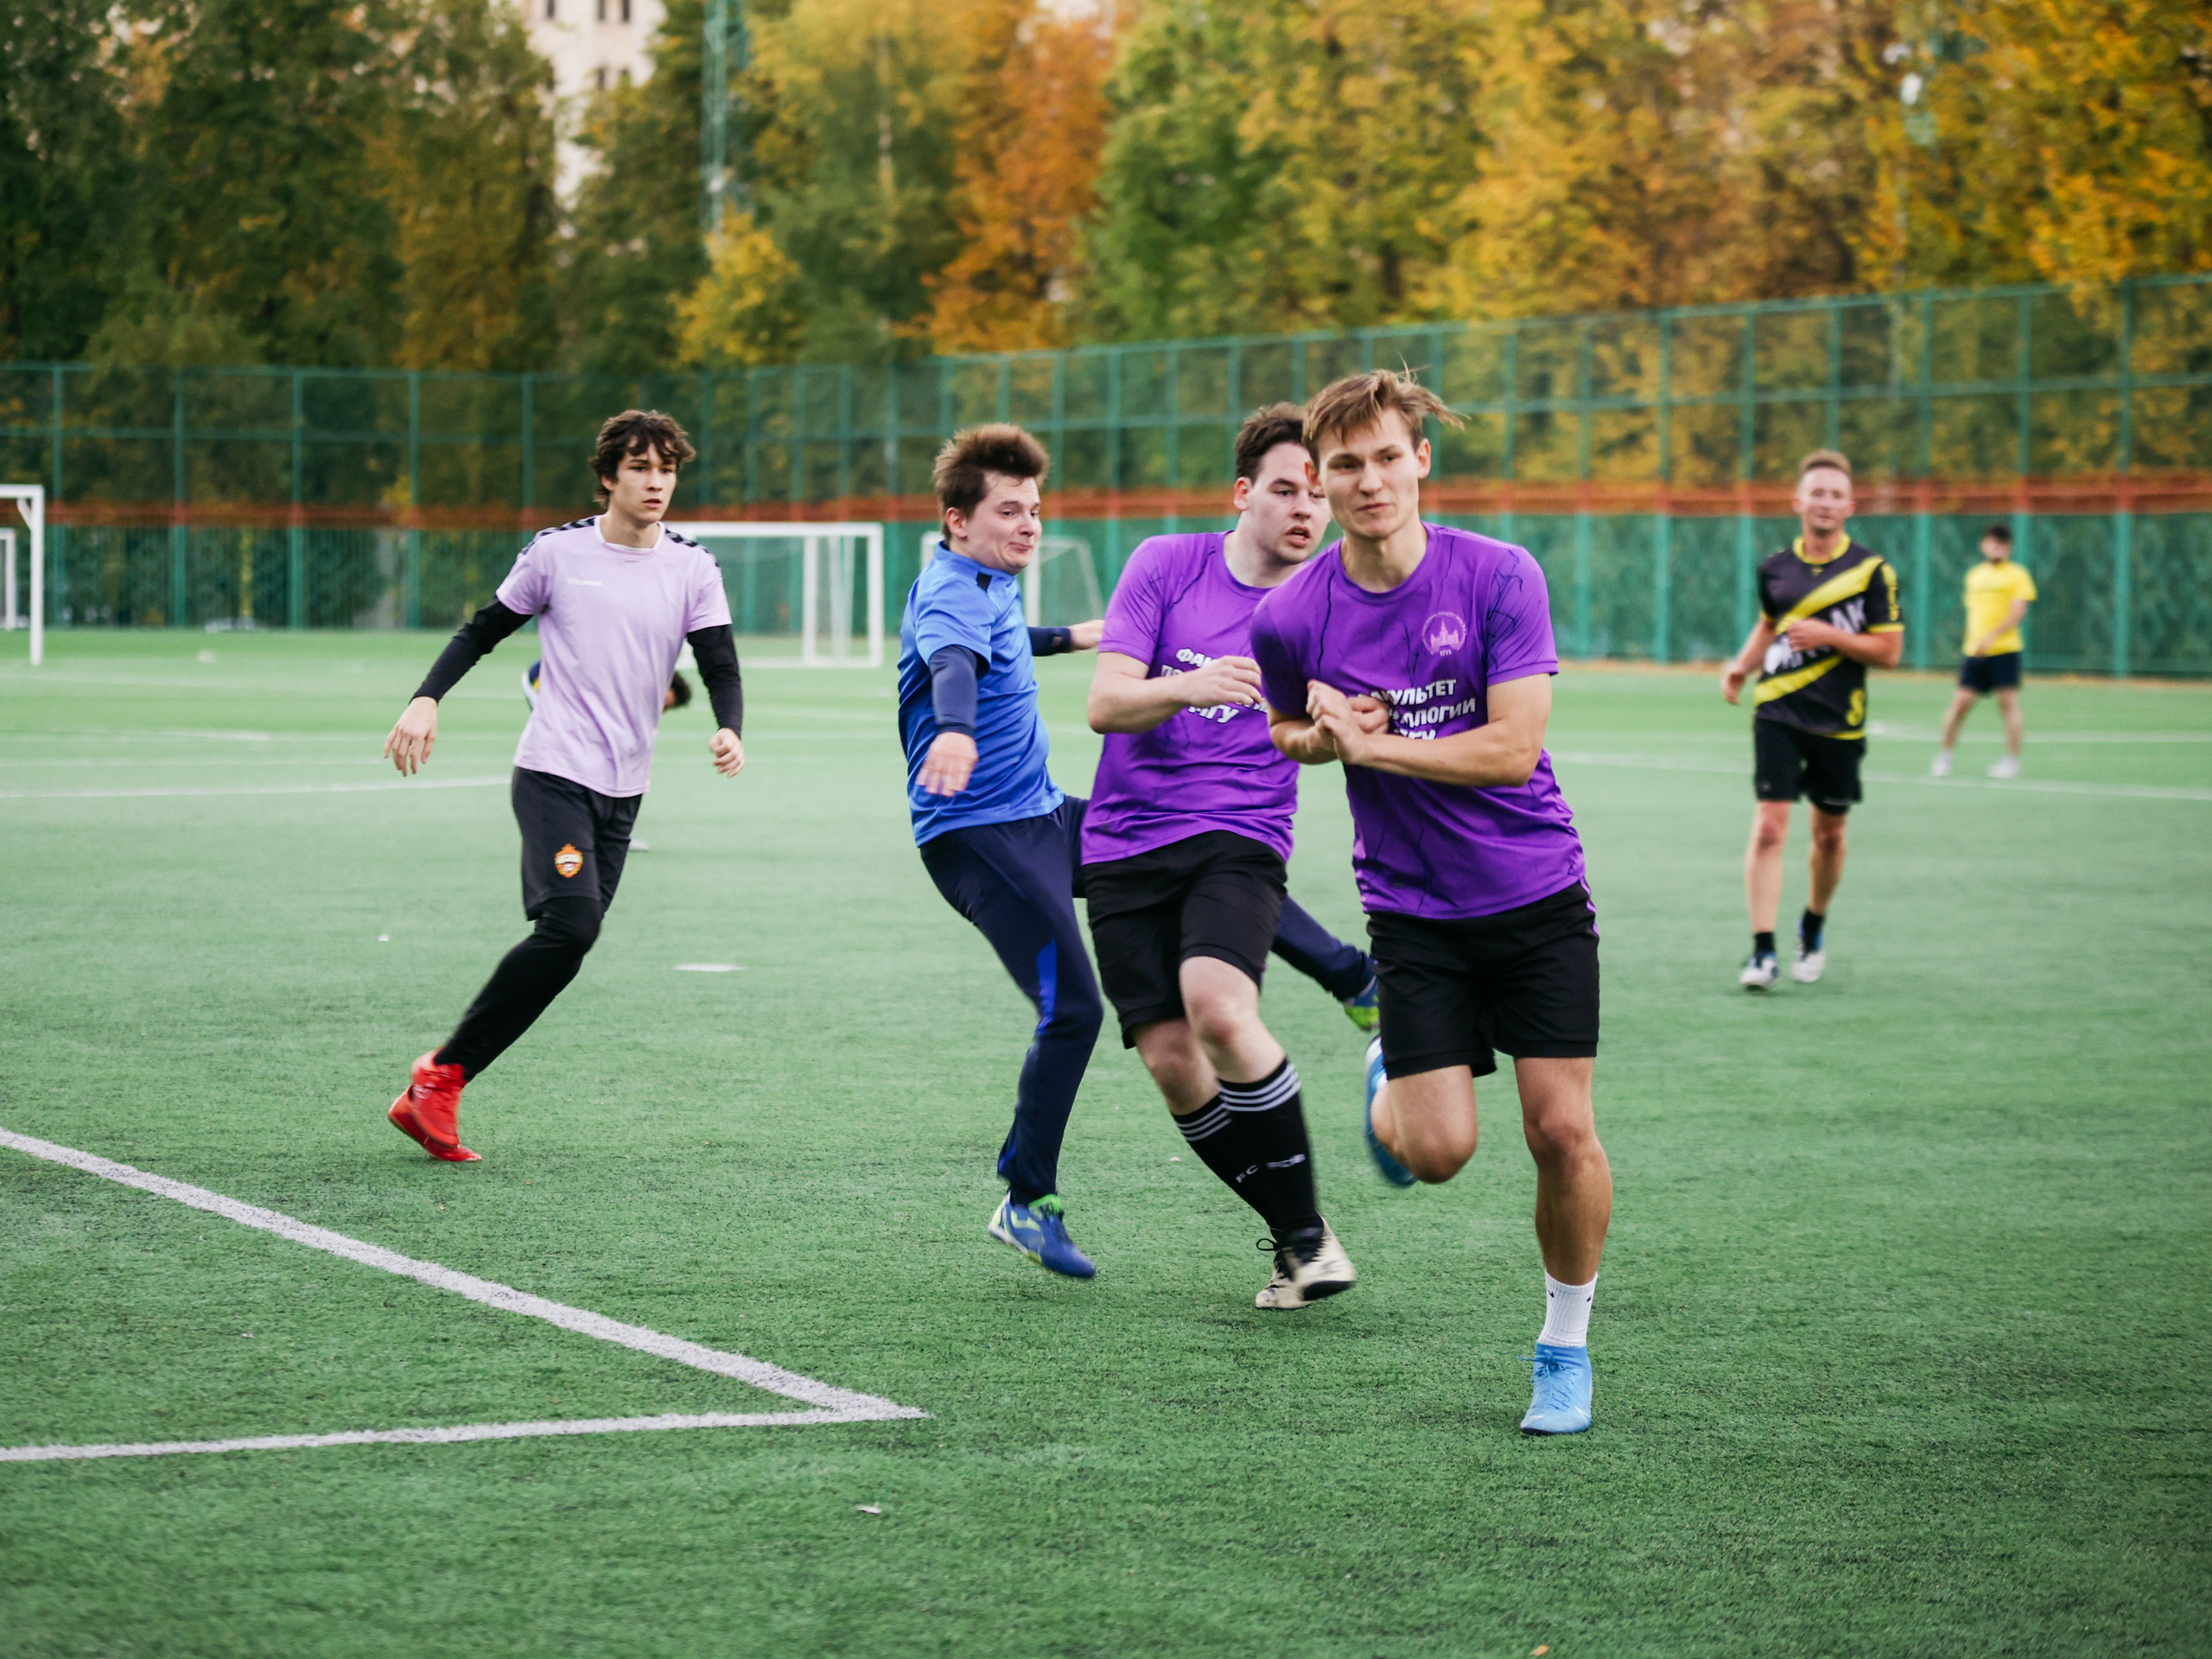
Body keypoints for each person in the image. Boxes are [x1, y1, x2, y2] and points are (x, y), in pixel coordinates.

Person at [1249, 370, 1613, 1435]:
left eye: (1386, 458)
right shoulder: (1292, 614)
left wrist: (1377, 745)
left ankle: (1563, 1346)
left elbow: (1511, 750)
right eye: (1345, 465)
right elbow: (1286, 731)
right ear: (1321, 479)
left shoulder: (1499, 575)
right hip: (1412, 916)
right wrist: (1323, 740)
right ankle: (1389, 1089)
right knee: (1440, 1154)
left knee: (1561, 1133)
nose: (1369, 482)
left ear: (1421, 461)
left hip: (1536, 895)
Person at [380, 410, 747, 1161]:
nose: (656, 482)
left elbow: (718, 661)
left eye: (667, 468)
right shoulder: (557, 553)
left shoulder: (692, 566)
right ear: (609, 476)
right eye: (641, 467)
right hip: (553, 773)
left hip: (624, 788)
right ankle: (440, 1080)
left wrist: (729, 724)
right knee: (570, 928)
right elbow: (482, 630)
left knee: (568, 946)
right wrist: (425, 699)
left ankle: (437, 1082)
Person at [1082, 403, 1358, 1312]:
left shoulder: (1329, 604)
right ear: (1243, 494)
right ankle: (1297, 1238)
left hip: (1239, 840)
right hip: (1122, 848)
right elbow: (1105, 704)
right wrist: (1189, 684)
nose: (1305, 510)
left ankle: (1307, 1235)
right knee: (1169, 1058)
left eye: (1318, 495)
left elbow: (1338, 733)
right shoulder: (1165, 565)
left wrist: (1335, 730)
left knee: (1217, 1006)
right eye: (1285, 489)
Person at [897, 423, 1108, 1279]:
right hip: (978, 838)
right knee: (1076, 1011)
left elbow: (1008, 640)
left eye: (1034, 509)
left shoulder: (990, 581)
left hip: (1045, 815)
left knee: (1181, 842)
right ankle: (1026, 1198)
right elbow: (953, 660)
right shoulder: (948, 590)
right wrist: (952, 730)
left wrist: (1075, 636)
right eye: (1009, 511)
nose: (1030, 525)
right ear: (956, 521)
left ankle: (1349, 975)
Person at [1719, 449, 1903, 990]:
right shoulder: (1775, 568)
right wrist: (1741, 667)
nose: (1825, 502)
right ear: (1799, 502)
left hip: (1839, 723)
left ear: (1850, 506)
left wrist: (1830, 637)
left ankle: (1813, 926)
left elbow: (1889, 652)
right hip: (1777, 710)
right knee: (1770, 827)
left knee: (1829, 836)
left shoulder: (1871, 571)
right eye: (1816, 493)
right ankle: (1762, 951)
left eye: (1835, 495)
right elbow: (1768, 625)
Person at [1932, 524, 2036, 779]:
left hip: (2005, 650)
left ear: (2009, 548)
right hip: (1974, 653)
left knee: (2008, 705)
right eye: (1992, 543)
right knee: (1959, 705)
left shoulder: (2017, 575)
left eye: (2002, 545)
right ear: (1983, 545)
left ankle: (2011, 761)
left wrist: (1992, 637)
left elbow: (2018, 612)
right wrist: (1973, 641)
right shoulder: (1975, 575)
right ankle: (1944, 757)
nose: (1996, 548)